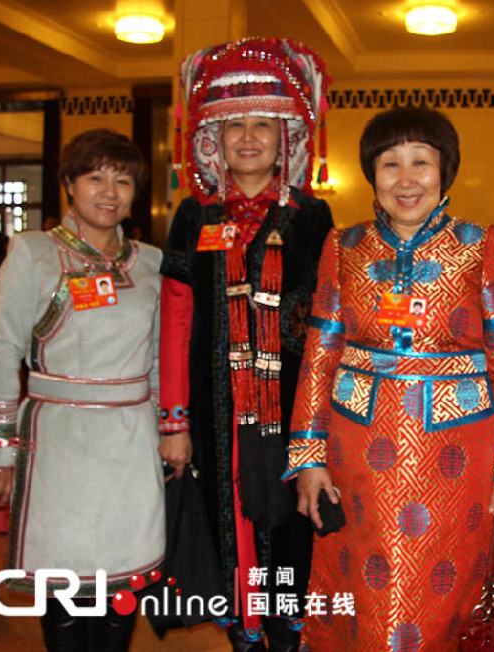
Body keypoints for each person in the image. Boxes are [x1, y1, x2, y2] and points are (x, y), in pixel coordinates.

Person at [289, 106, 494, 650]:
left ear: (446, 170)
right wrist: (309, 456)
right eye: (389, 164)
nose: (406, 179)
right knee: (370, 598)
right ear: (371, 174)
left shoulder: (480, 244)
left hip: (457, 457)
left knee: (443, 603)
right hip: (359, 454)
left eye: (421, 162)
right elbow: (321, 354)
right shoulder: (343, 247)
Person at [158, 38, 332, 652]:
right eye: (235, 126)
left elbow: (326, 323)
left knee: (288, 522)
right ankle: (241, 631)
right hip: (213, 411)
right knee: (223, 518)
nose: (249, 138)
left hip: (292, 409)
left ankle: (287, 628)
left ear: (285, 135)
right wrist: (173, 421)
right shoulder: (192, 217)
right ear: (213, 138)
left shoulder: (312, 217)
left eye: (263, 124)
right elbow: (176, 321)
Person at [0, 129, 164, 652]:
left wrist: (168, 429)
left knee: (120, 589)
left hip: (132, 438)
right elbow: (0, 351)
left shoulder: (151, 262)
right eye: (95, 177)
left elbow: (156, 360)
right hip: (60, 438)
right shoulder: (34, 253)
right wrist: (1, 451)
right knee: (65, 586)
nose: (110, 191)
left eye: (123, 180)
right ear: (68, 185)